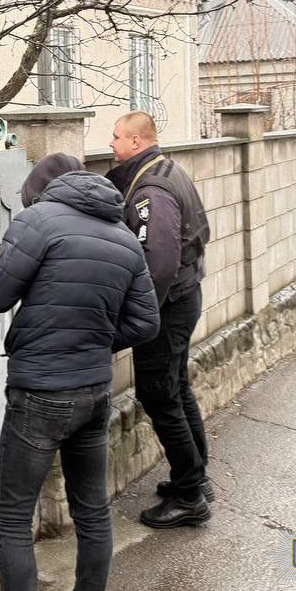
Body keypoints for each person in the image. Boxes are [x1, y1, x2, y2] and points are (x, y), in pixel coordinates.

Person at [0, 152, 160, 591]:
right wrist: (94, 339)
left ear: (37, 191)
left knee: (14, 518)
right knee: (93, 512)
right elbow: (146, 323)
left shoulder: (37, 221)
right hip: (94, 392)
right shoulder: (123, 236)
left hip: (39, 392)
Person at [105, 111, 212, 529]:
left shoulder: (151, 188)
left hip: (168, 306)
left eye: (116, 138)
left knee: (159, 395)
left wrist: (142, 313)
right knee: (176, 388)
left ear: (135, 142)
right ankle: (196, 478)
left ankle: (189, 495)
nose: (110, 145)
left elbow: (159, 263)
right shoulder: (167, 170)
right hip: (183, 297)